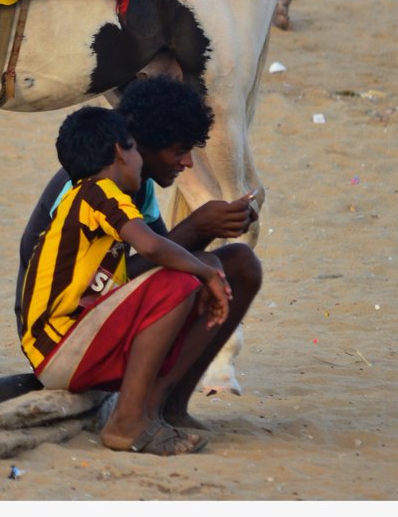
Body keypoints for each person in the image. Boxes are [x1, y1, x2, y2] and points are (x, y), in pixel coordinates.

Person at [15, 76, 262, 421]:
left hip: (106, 304)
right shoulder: (89, 188)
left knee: (241, 265)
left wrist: (213, 226)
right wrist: (198, 228)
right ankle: (141, 413)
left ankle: (171, 405)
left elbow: (151, 257)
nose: (188, 163)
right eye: (179, 150)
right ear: (135, 146)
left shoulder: (137, 185)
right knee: (187, 279)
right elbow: (152, 253)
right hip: (65, 326)